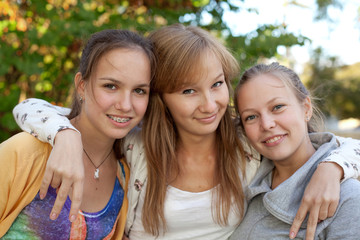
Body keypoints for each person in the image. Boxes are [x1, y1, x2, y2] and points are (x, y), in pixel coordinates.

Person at [12, 24, 360, 240]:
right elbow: (31, 108)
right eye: (188, 91)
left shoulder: (246, 143)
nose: (209, 104)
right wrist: (66, 135)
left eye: (217, 84)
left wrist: (334, 167)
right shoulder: (136, 144)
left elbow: (332, 145)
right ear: (161, 97)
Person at [0, 28, 155, 239]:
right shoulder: (26, 152)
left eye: (139, 91)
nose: (126, 105)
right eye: (110, 86)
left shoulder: (126, 175)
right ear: (82, 86)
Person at [230, 62, 360, 239]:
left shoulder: (348, 197)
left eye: (277, 107)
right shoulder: (245, 178)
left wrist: (332, 167)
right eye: (251, 117)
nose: (267, 124)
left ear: (306, 108)